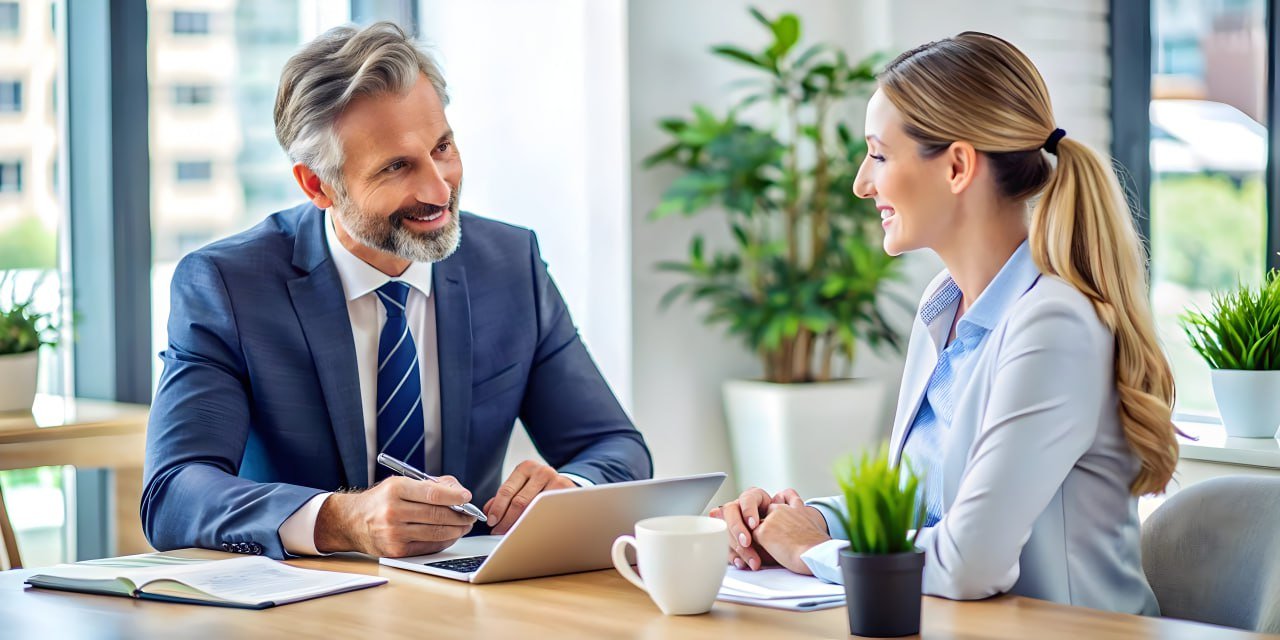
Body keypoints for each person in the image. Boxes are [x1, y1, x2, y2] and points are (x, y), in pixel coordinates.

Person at [142, 22, 651, 560]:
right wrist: (340, 520)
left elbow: (614, 447)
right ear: (318, 185)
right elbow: (173, 493)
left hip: (469, 604)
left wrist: (569, 490)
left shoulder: (509, 265)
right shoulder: (228, 286)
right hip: (305, 608)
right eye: (396, 167)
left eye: (443, 147)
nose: (439, 190)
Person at [711, 32, 1178, 615]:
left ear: (957, 166)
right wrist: (802, 519)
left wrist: (815, 549)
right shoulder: (944, 306)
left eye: (879, 155)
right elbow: (921, 507)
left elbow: (970, 561)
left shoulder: (1052, 325)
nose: (861, 182)